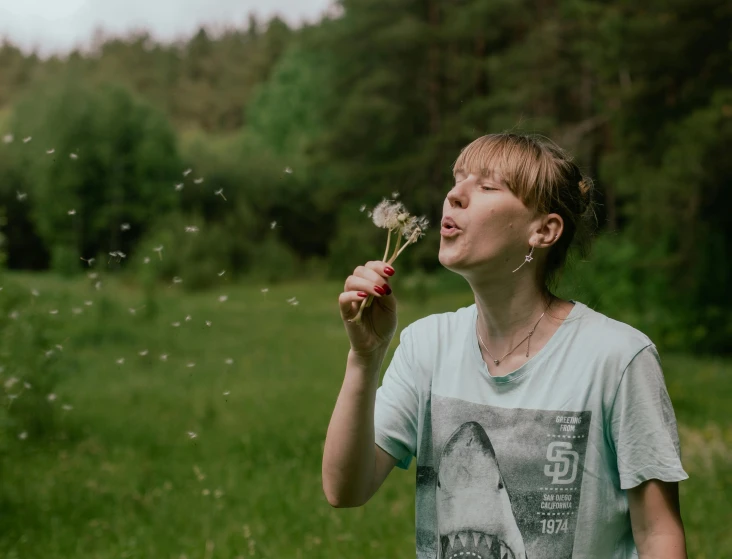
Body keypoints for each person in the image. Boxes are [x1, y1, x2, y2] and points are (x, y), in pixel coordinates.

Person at [323, 133, 689, 559]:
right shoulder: (427, 345)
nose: (455, 195)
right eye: (457, 180)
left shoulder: (617, 358)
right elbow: (344, 489)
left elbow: (658, 535)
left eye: (487, 186)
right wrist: (364, 357)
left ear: (544, 230)